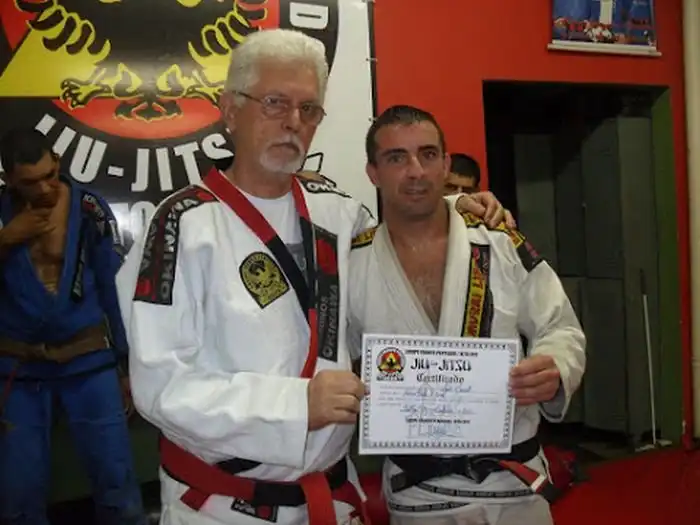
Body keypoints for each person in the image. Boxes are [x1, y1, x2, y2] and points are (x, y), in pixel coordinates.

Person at [115, 29, 509, 525]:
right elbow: (161, 387)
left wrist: (456, 210)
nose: (293, 122)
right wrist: (298, 403)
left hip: (333, 493)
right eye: (275, 103)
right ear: (230, 110)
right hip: (224, 507)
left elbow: (402, 252)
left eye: (309, 109)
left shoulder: (340, 215)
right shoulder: (180, 226)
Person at [347, 105, 586, 525]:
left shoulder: (500, 241)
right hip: (418, 494)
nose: (416, 171)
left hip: (514, 484)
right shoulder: (354, 262)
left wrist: (554, 368)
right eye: (396, 158)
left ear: (445, 164)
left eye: (427, 154)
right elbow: (332, 363)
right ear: (373, 173)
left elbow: (559, 325)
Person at [0, 128, 147, 525]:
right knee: (17, 495)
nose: (44, 188)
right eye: (30, 182)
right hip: (19, 367)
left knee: (117, 484)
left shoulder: (89, 208)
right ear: (9, 179)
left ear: (58, 162)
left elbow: (114, 287)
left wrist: (127, 364)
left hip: (88, 359)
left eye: (50, 175)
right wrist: (6, 239)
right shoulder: (2, 215)